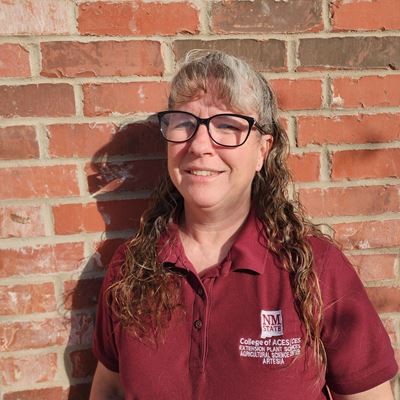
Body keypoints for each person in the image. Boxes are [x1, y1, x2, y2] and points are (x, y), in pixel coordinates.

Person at [89, 51, 398, 400]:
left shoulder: (315, 269)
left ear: (262, 150)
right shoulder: (131, 268)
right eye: (184, 123)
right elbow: (110, 389)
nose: (200, 145)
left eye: (228, 126)